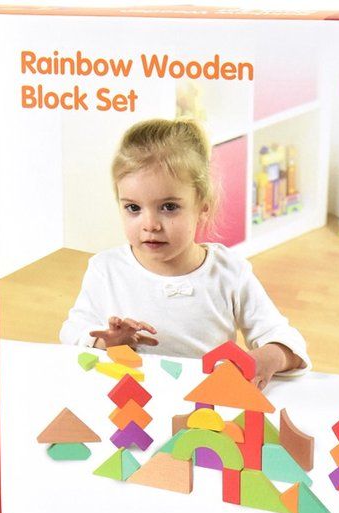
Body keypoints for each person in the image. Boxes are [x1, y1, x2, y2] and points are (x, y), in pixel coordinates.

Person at [60, 118, 311, 388]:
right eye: (133, 208)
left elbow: (285, 339)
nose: (150, 225)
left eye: (169, 207)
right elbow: (72, 333)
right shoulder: (105, 269)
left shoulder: (229, 272)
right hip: (128, 400)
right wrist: (106, 341)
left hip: (204, 405)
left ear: (202, 206)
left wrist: (268, 357)